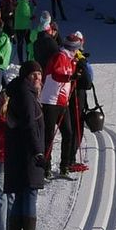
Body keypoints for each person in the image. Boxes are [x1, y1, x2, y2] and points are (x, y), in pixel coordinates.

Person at [0, 61, 46, 230]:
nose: (38, 79)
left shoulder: (19, 93)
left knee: (19, 196)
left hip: (16, 154)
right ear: (25, 77)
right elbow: (29, 126)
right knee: (30, 195)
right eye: (34, 75)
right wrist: (38, 152)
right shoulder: (26, 96)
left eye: (40, 75)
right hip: (27, 155)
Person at [41, 35, 79, 174]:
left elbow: (70, 77)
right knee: (49, 136)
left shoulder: (70, 60)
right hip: (50, 101)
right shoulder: (59, 56)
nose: (77, 52)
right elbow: (56, 74)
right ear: (72, 48)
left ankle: (65, 165)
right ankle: (46, 167)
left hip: (63, 102)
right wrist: (69, 77)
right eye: (77, 49)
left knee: (68, 133)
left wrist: (76, 69)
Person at [61, 30, 93, 174]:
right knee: (76, 128)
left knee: (71, 129)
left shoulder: (65, 55)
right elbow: (88, 81)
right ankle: (69, 160)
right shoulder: (78, 59)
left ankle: (68, 160)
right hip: (76, 95)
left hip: (67, 95)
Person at [12, 0, 35, 66]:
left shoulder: (21, 3)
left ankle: (21, 60)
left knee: (20, 44)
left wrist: (34, 6)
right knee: (27, 44)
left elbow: (27, 14)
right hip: (25, 28)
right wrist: (31, 17)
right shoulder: (23, 4)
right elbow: (26, 15)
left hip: (19, 27)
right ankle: (27, 59)